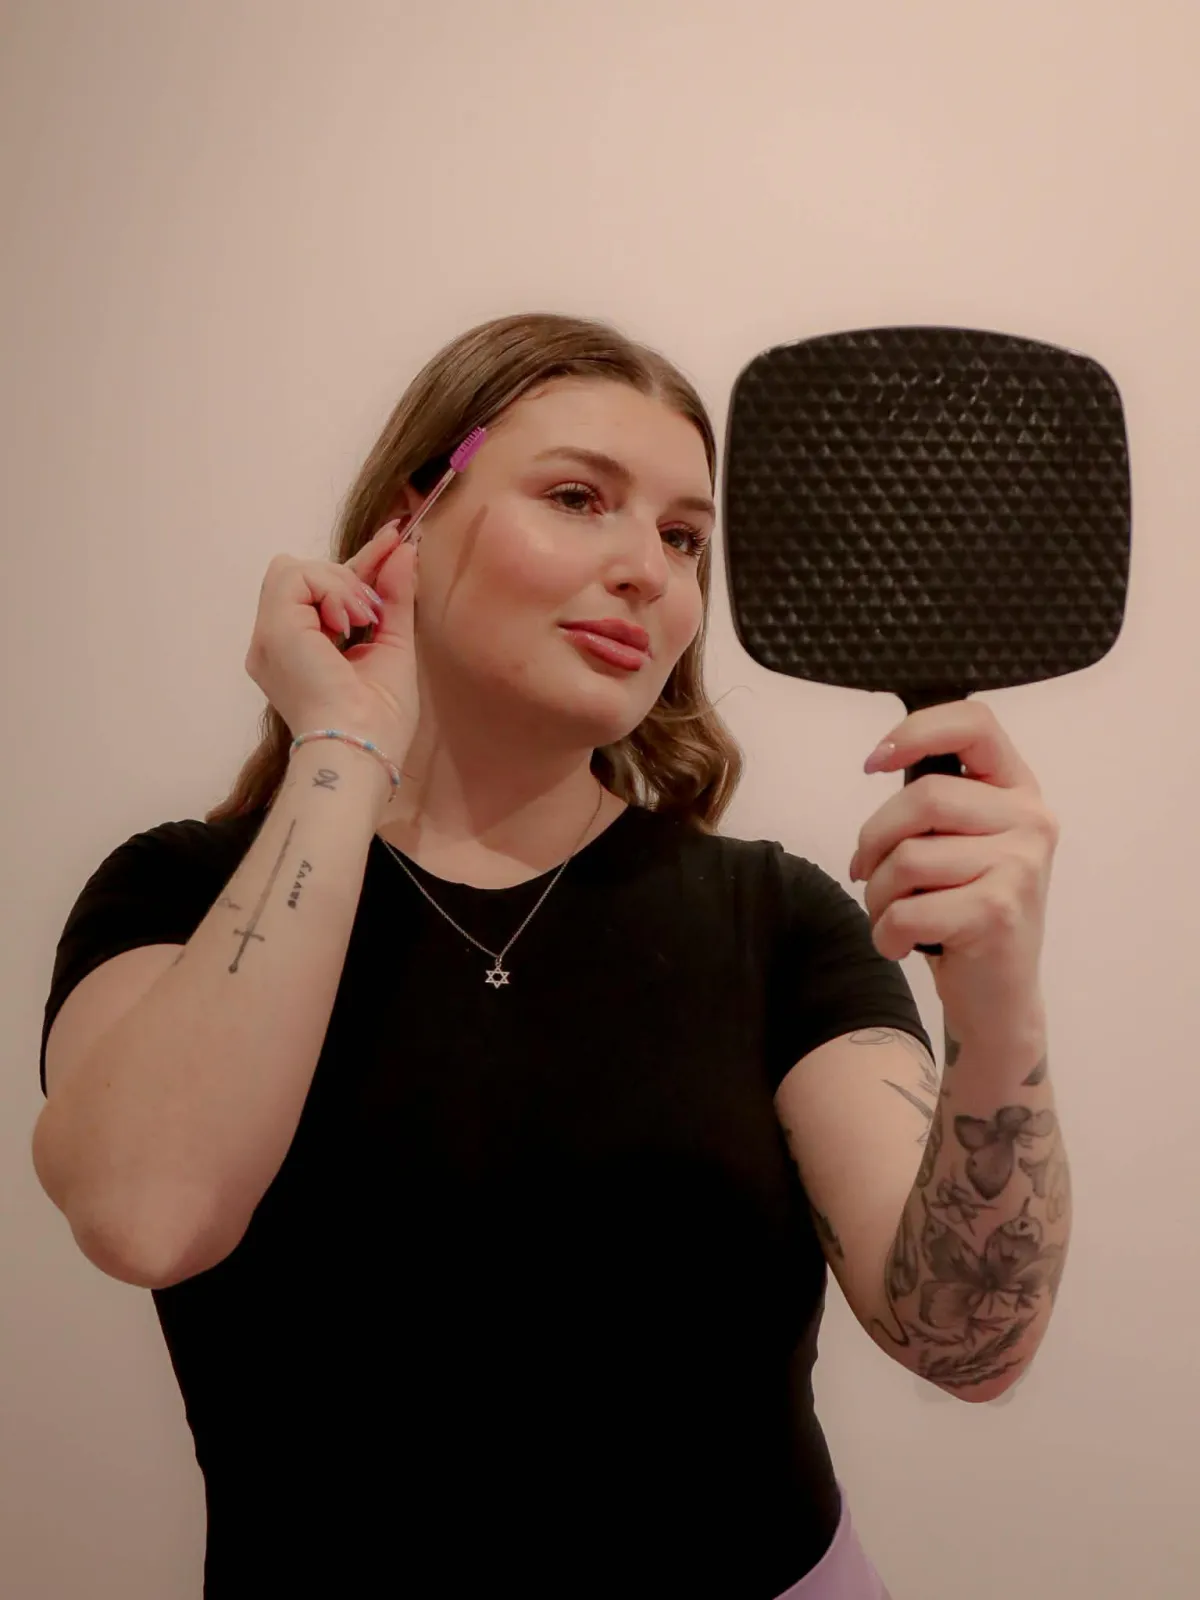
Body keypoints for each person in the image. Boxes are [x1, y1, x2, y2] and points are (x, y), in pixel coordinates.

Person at [32, 313, 1069, 1598]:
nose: (648, 571)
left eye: (684, 538)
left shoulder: (777, 919)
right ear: (412, 519)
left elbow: (965, 1342)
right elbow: (148, 1215)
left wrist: (999, 1010)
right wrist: (344, 739)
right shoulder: (182, 894)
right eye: (580, 498)